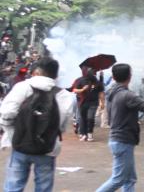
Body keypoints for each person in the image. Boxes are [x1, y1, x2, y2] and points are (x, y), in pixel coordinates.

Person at [0, 57, 74, 192]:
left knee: (14, 186)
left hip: (20, 145)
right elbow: (62, 126)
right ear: (56, 75)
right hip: (48, 148)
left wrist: (12, 133)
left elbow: (6, 114)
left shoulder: (23, 87)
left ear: (36, 72)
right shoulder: (65, 96)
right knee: (43, 187)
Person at [96, 63, 144, 192]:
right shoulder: (127, 95)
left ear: (113, 77)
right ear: (130, 77)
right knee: (118, 179)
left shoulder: (111, 92)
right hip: (123, 140)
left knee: (129, 179)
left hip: (118, 139)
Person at [73, 69, 105, 142]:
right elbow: (75, 90)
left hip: (93, 103)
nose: (93, 75)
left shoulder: (97, 82)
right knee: (83, 118)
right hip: (83, 102)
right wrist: (82, 89)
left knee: (90, 118)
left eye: (94, 74)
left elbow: (101, 92)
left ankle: (89, 133)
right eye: (92, 74)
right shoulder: (81, 80)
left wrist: (102, 102)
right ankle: (83, 134)